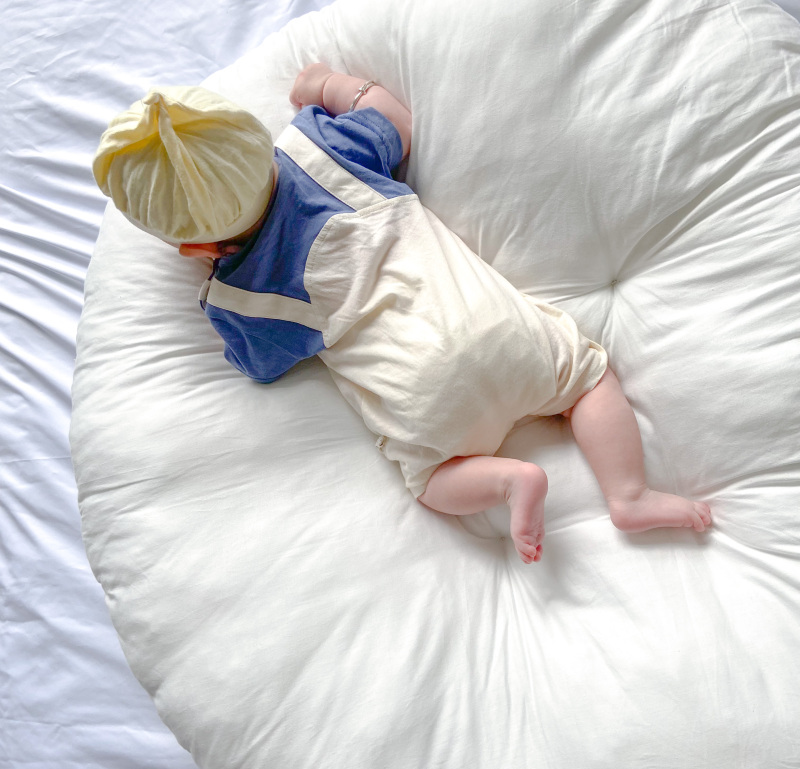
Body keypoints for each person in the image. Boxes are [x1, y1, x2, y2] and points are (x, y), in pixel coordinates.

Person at [92, 64, 712, 564]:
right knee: (590, 381)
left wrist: (218, 284)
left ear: (194, 248)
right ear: (259, 142)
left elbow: (258, 366)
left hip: (427, 401)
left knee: (433, 480)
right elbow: (396, 120)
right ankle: (628, 494)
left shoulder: (241, 300)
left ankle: (509, 481)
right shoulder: (320, 147)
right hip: (498, 330)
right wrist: (329, 86)